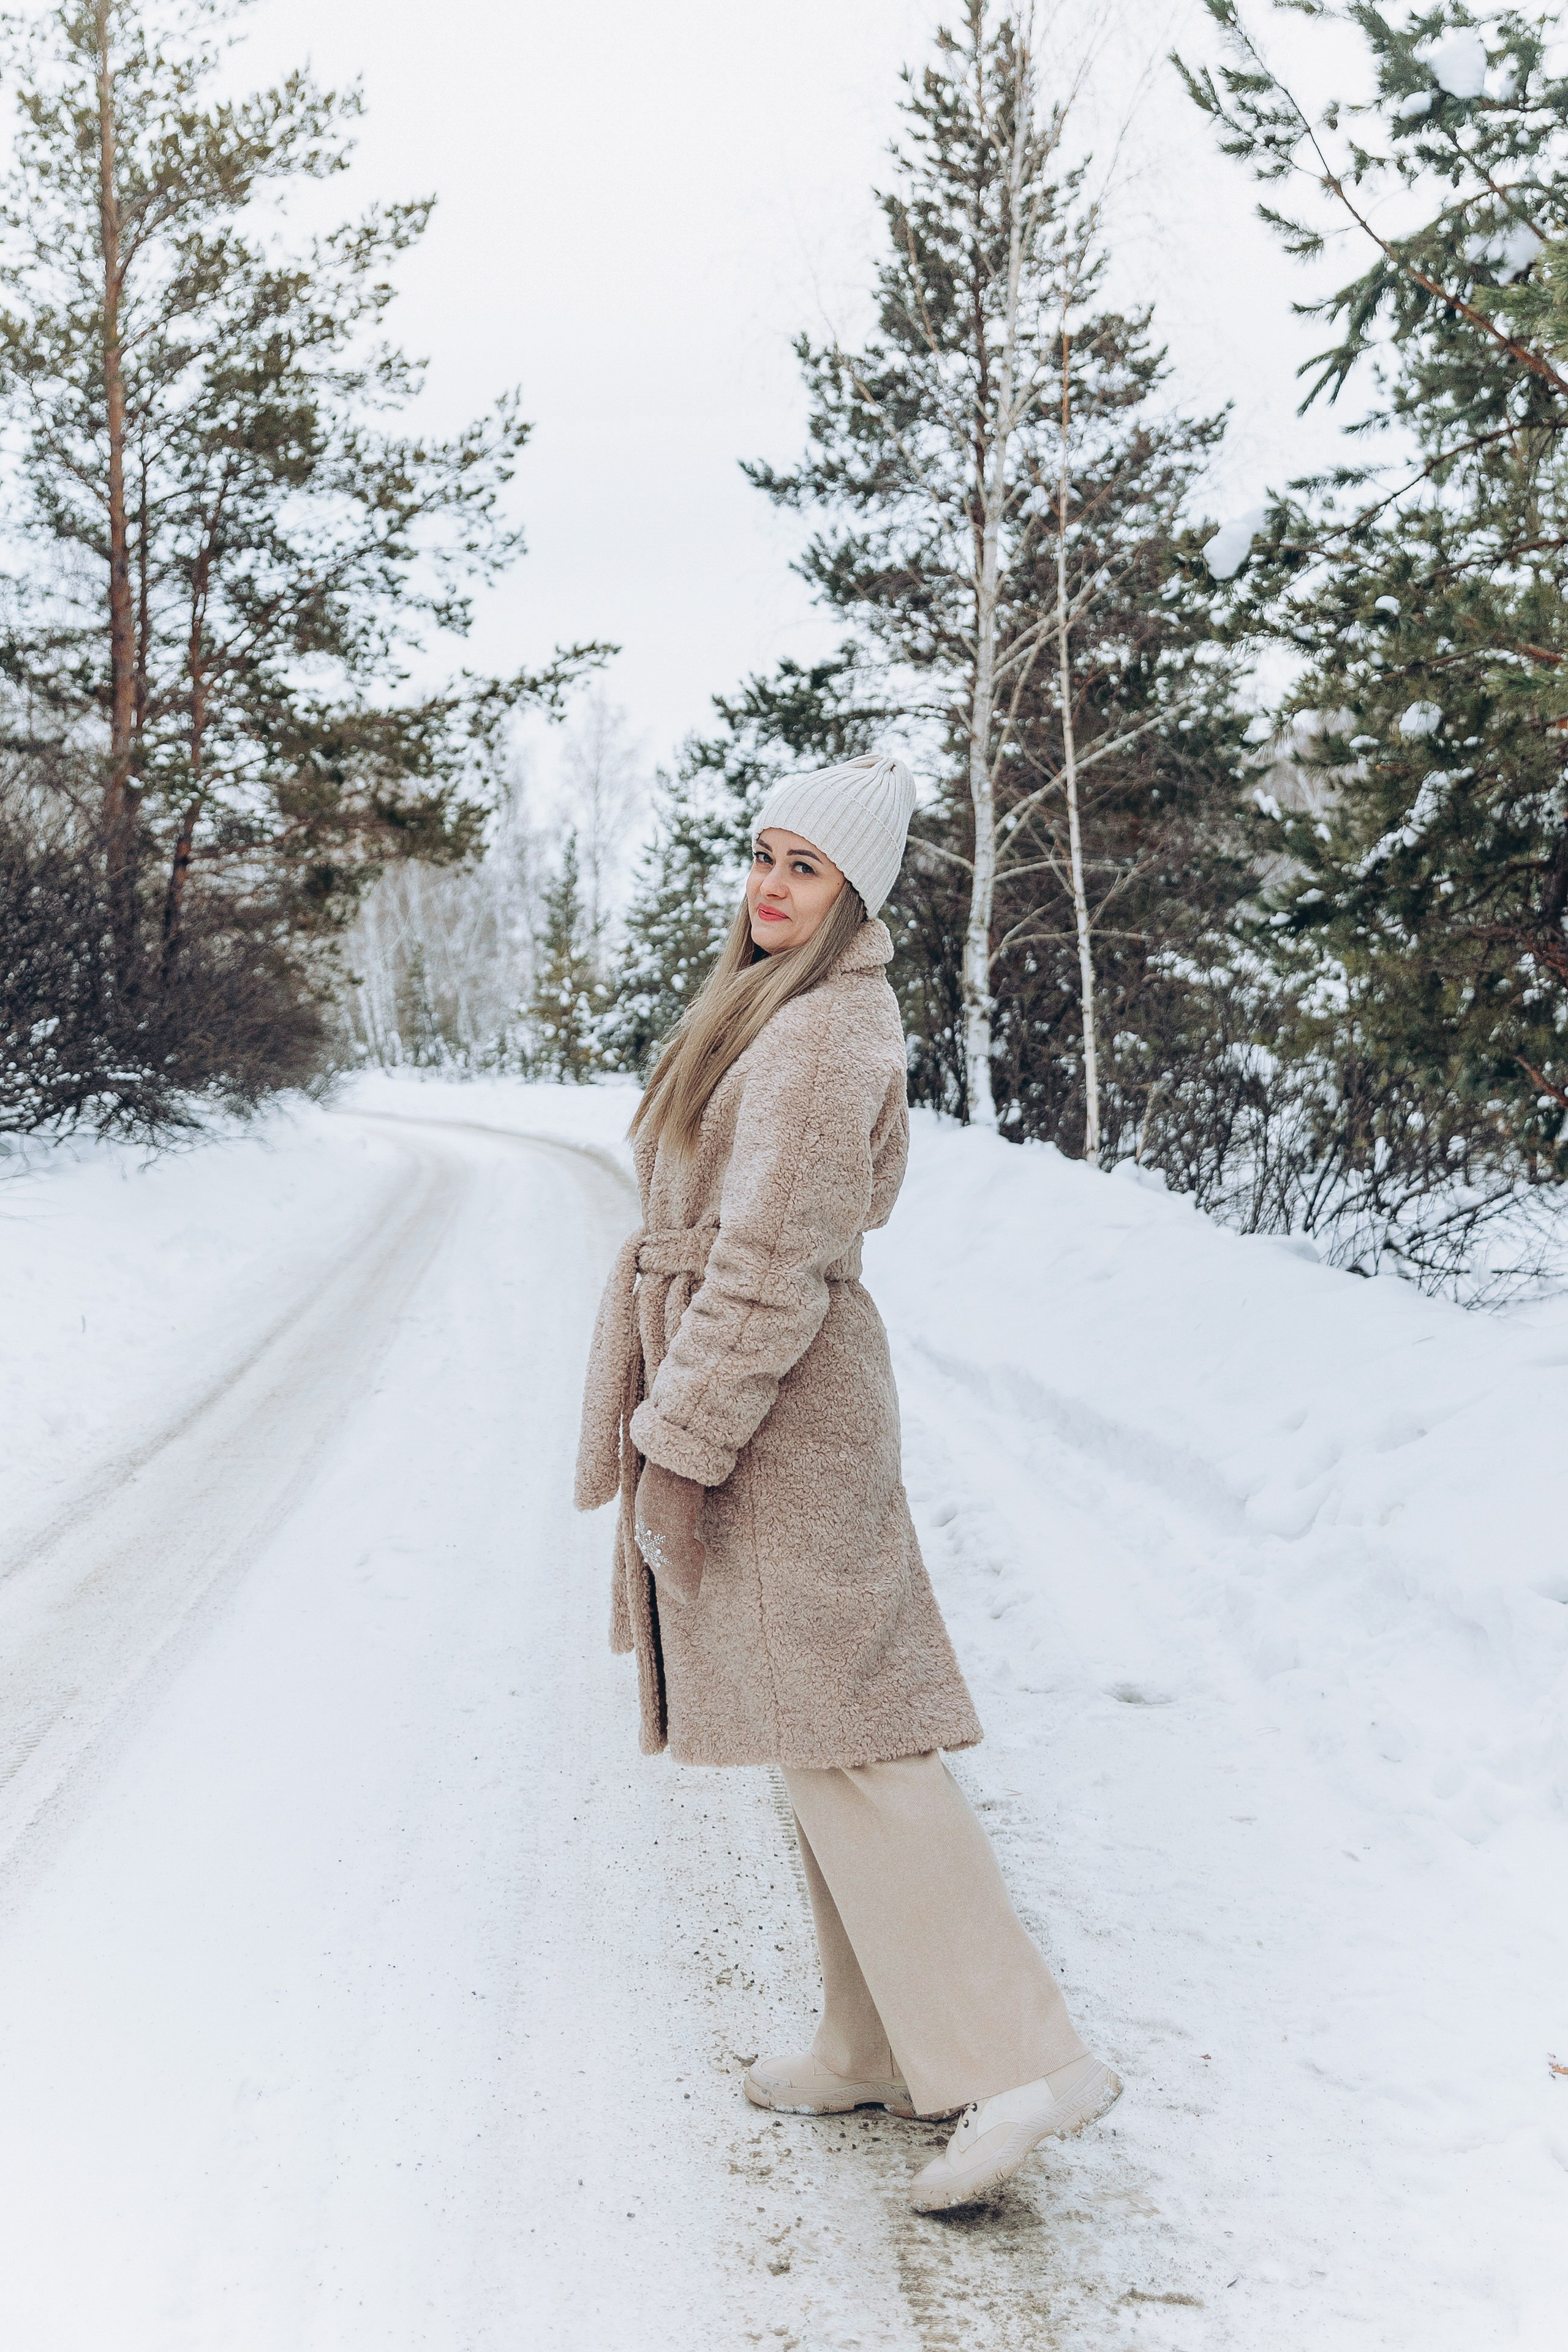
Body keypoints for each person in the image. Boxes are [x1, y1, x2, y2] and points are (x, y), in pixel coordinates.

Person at [575, 752, 1121, 2213]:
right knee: (812, 1726)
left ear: (855, 894)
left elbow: (769, 1269)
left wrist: (677, 1444)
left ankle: (1026, 2061)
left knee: (859, 1733)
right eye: (764, 854)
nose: (771, 885)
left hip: (786, 1418)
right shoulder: (775, 1005)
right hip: (772, 1403)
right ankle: (868, 2040)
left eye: (805, 867)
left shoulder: (824, 1037)